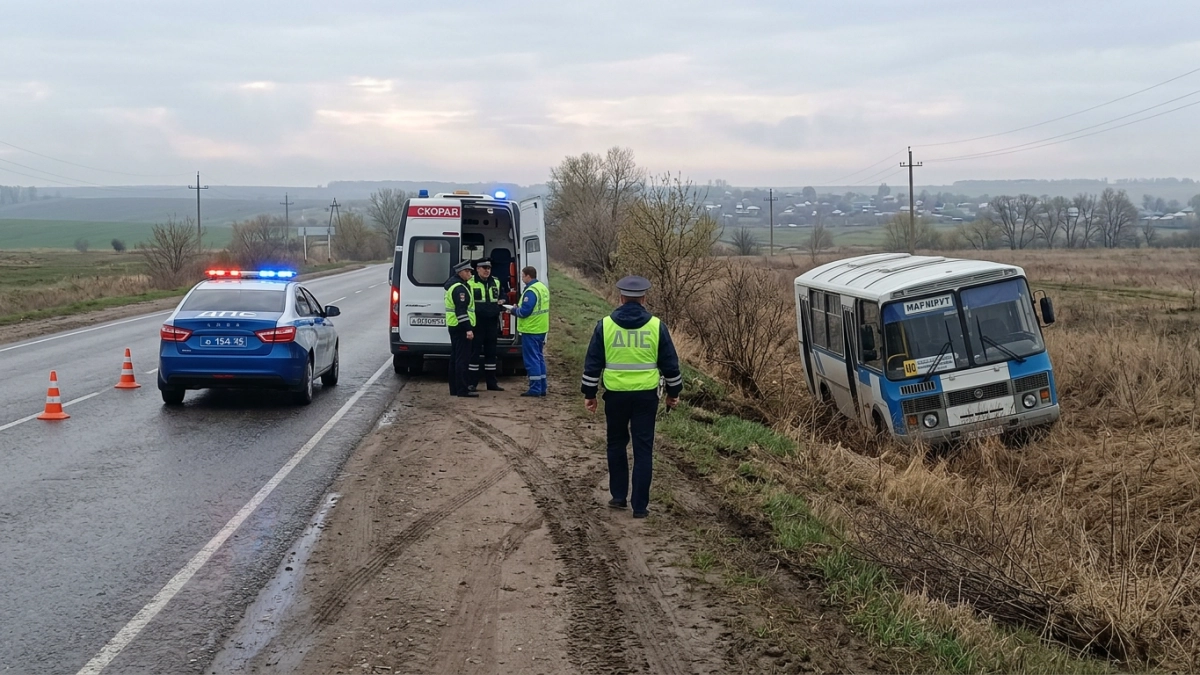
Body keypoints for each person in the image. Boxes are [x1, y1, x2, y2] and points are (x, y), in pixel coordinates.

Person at [580, 275, 682, 519]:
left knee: (615, 444)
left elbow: (593, 363)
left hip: (615, 396)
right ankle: (640, 507)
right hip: (646, 398)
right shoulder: (656, 326)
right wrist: (673, 393)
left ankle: (617, 496)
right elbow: (671, 364)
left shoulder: (605, 325)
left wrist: (590, 394)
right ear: (644, 299)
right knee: (643, 449)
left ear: (621, 298)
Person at [505, 266, 549, 397]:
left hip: (531, 329)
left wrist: (513, 310)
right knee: (539, 358)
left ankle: (535, 389)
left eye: (522, 275)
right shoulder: (542, 288)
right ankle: (542, 387)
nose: (522, 278)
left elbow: (525, 312)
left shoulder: (531, 291)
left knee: (532, 360)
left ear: (528, 276)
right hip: (541, 328)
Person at [467, 259, 505, 392]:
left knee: (491, 353)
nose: (487, 270)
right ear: (477, 269)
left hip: (492, 322)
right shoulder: (470, 282)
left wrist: (502, 300)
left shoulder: (496, 281)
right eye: (483, 268)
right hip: (477, 323)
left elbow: (502, 294)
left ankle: (492, 383)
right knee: (474, 353)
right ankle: (471, 383)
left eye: (488, 268)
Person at [444, 260, 476, 398]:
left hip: (454, 326)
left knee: (455, 359)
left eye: (470, 271)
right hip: (460, 327)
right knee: (462, 360)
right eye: (468, 271)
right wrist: (468, 329)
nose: (470, 274)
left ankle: (455, 389)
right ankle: (462, 389)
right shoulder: (459, 288)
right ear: (460, 272)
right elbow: (461, 311)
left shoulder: (456, 286)